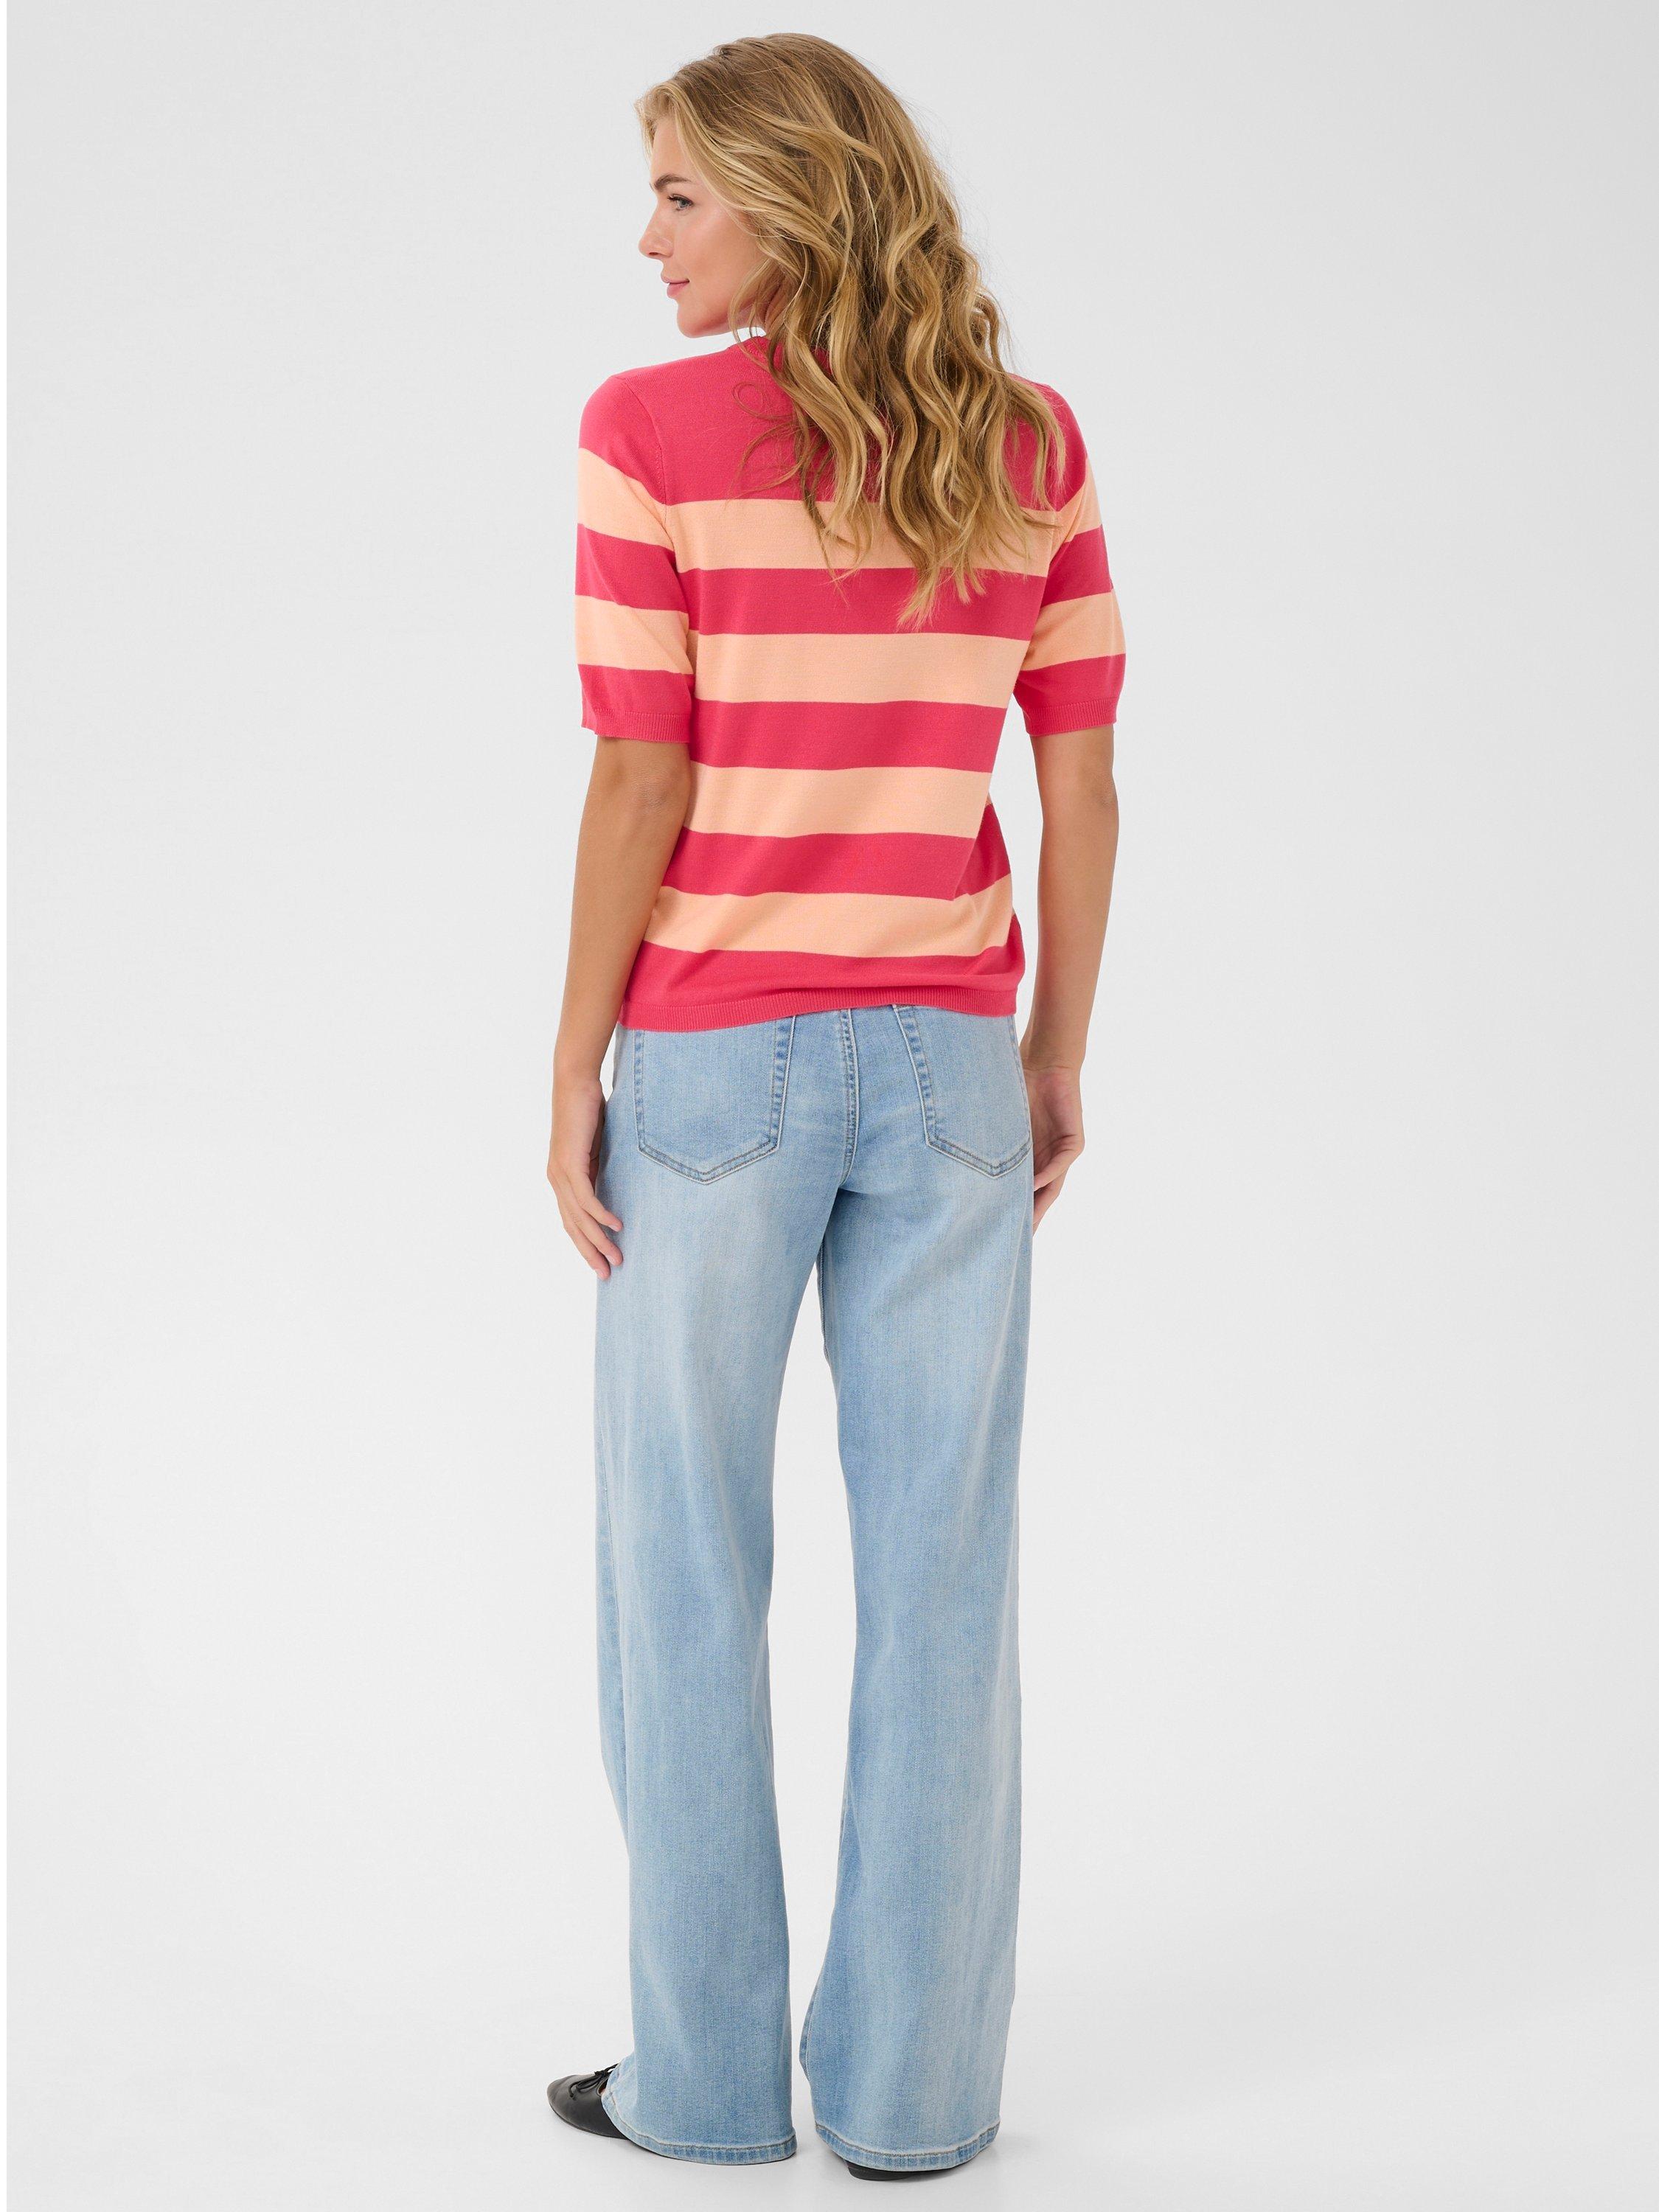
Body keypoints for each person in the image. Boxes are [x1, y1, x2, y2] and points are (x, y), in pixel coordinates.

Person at [544, 33, 1124, 2180]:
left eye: (680, 194)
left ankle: (702, 2092)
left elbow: (640, 772)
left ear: (787, 201)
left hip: (713, 1058)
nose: (649, 236)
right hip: (953, 1059)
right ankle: (912, 2101)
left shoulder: (647, 433)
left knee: (682, 1570)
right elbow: (1079, 775)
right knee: (947, 1575)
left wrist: (571, 1063)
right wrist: (1053, 1049)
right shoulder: (1025, 440)